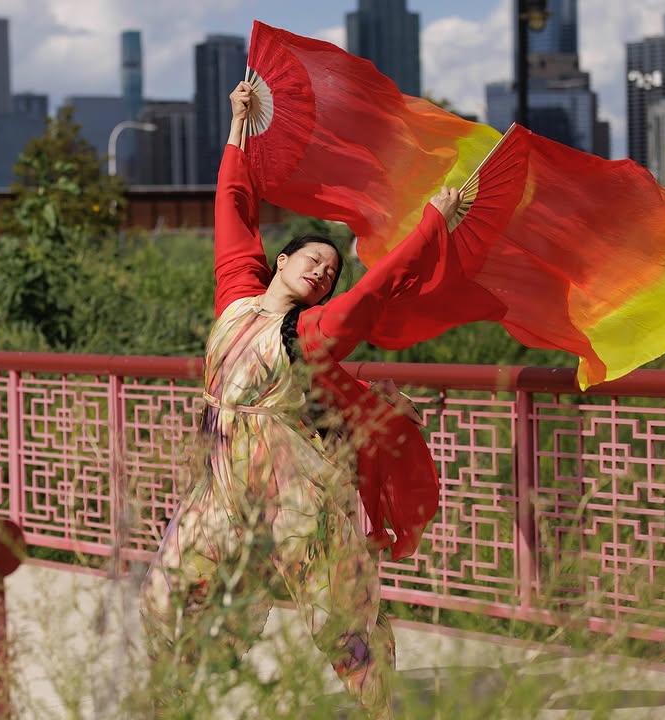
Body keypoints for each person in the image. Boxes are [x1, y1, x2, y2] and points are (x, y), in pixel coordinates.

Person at [140, 80, 462, 719]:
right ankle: (174, 701)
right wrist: (238, 125)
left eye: (329, 272)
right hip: (224, 489)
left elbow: (373, 294)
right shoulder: (236, 295)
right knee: (168, 593)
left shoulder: (309, 332)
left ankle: (380, 708)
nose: (321, 270)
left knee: (340, 616)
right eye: (312, 259)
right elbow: (233, 205)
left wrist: (434, 225)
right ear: (281, 261)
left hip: (295, 494)